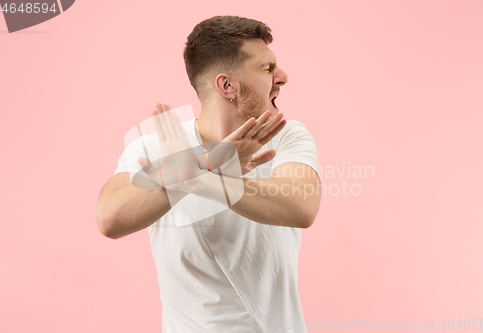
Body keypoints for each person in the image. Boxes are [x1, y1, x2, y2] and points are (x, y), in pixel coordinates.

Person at [96, 15, 321, 333]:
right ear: (227, 85)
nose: (282, 77)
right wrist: (208, 162)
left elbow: (300, 206)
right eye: (267, 68)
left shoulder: (287, 134)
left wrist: (202, 174)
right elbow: (110, 218)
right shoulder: (157, 144)